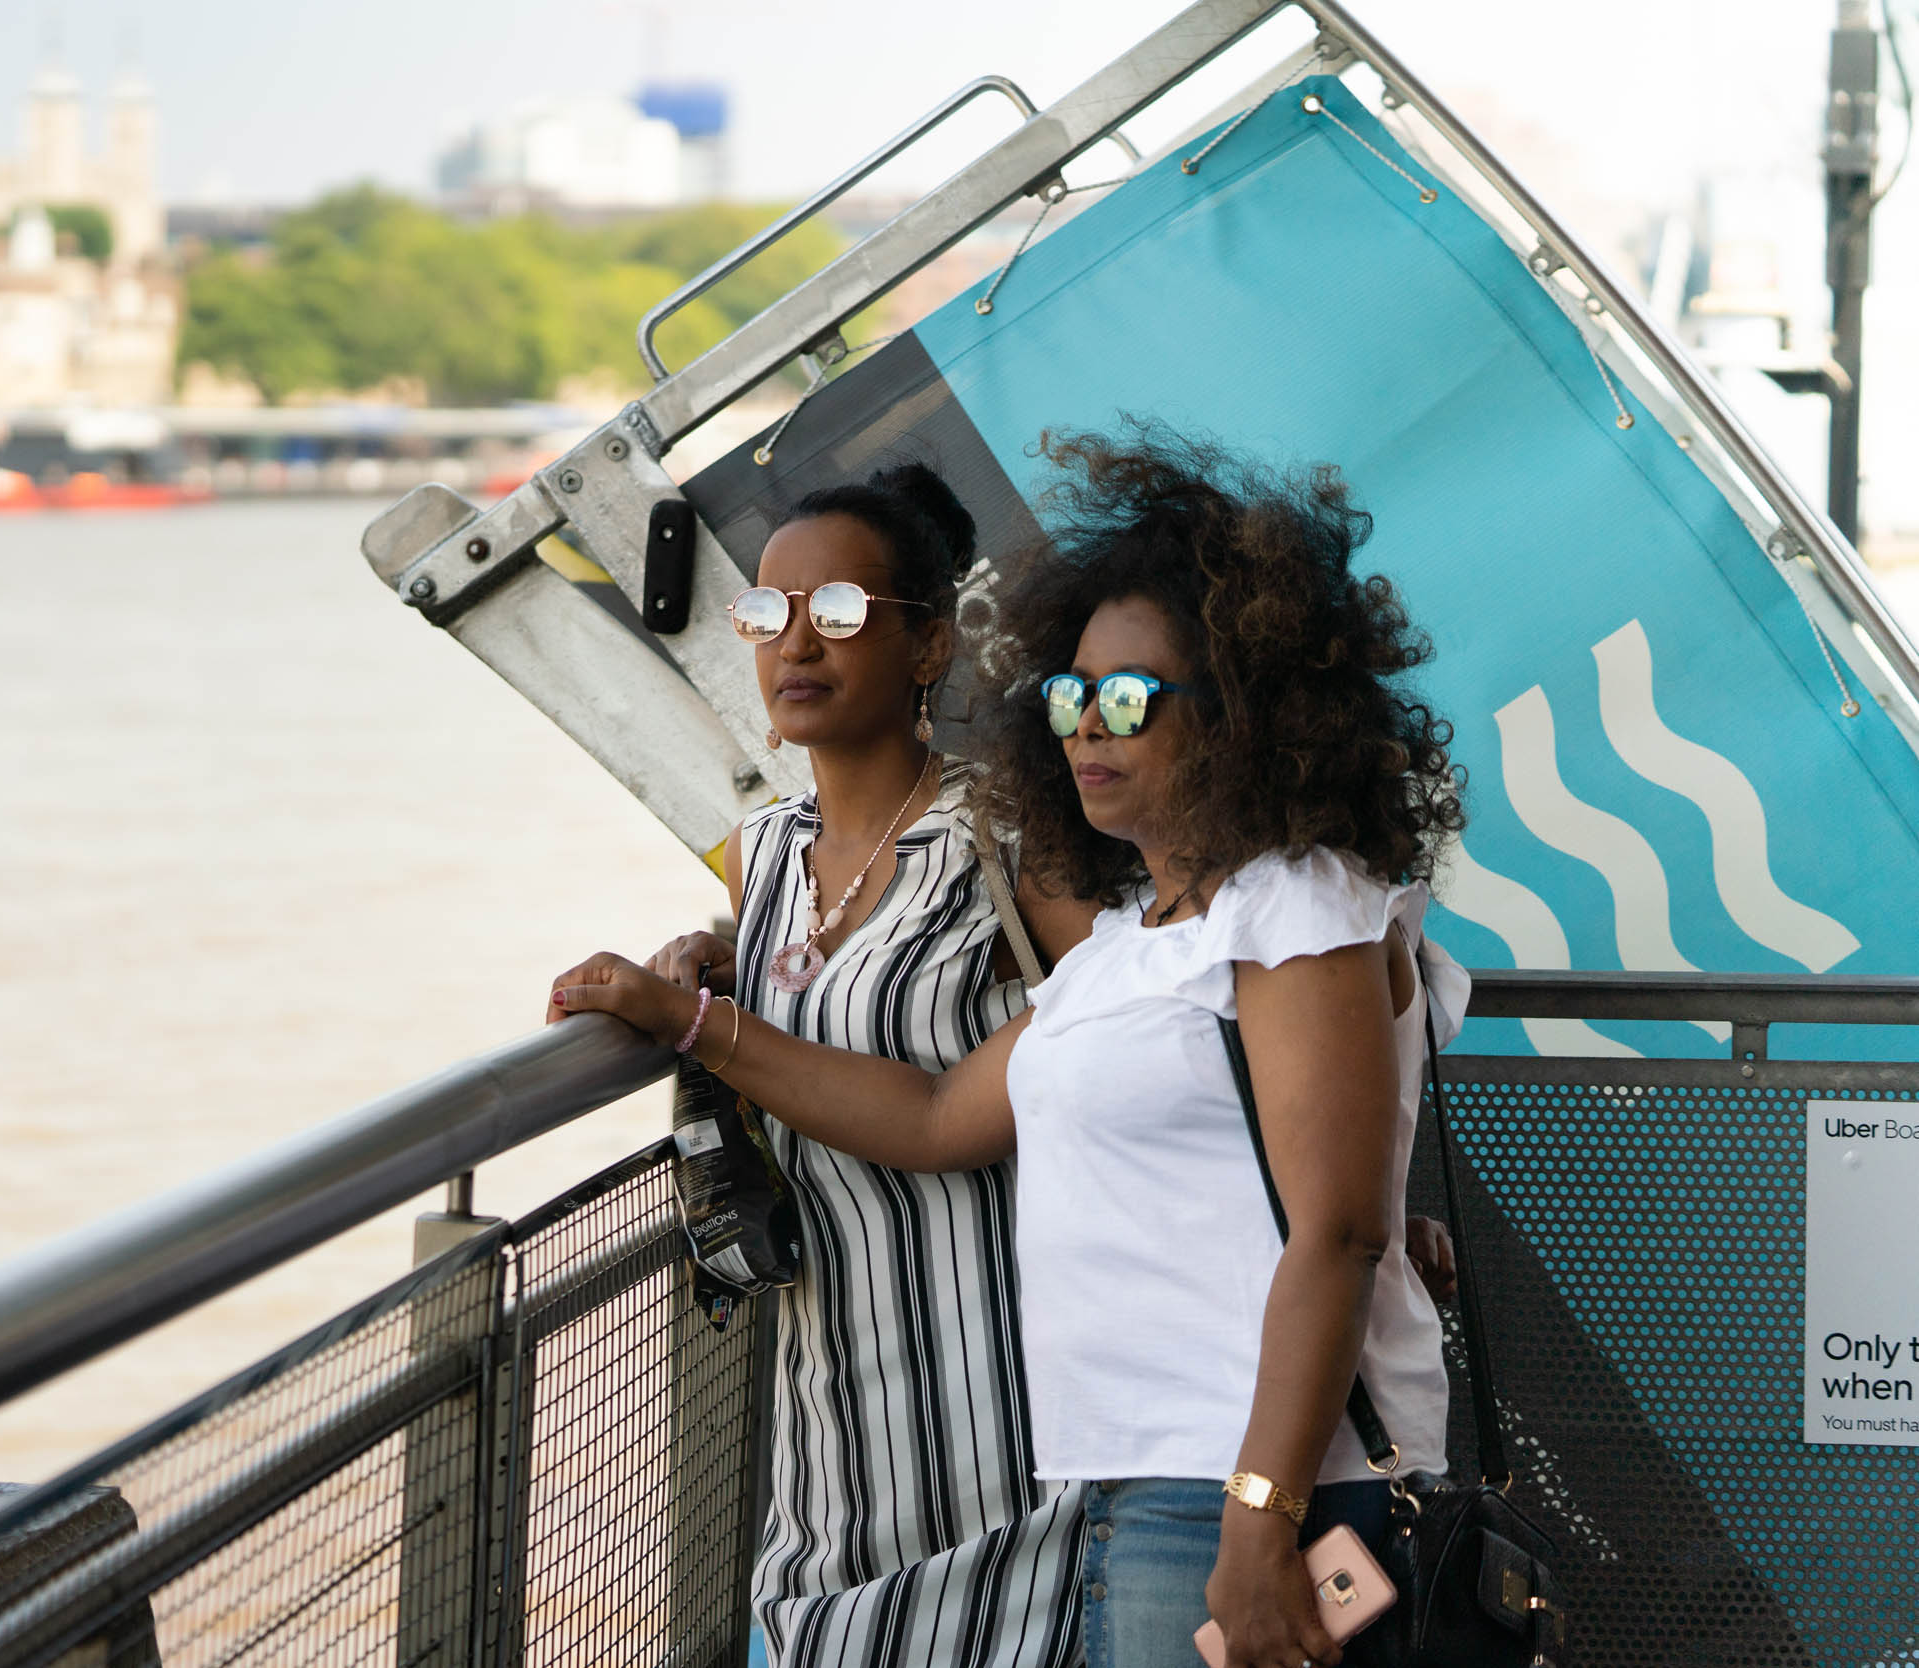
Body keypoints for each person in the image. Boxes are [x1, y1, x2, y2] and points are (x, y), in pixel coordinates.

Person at [552, 427, 1467, 1668]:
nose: (1090, 728)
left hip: (1234, 1488)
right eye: (1070, 697)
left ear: (1242, 715)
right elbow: (931, 1118)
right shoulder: (1130, 946)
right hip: (1104, 1488)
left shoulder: (1290, 905)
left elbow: (1338, 1230)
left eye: (1131, 700)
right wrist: (696, 1020)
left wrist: (1261, 1520)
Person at [622, 460, 1106, 1668]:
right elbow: (815, 998)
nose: (797, 642)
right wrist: (708, 961)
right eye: (768, 614)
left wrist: (689, 1022)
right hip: (833, 1428)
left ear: (930, 647)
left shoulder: (1009, 840)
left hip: (1009, 1420)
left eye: (838, 615)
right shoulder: (762, 858)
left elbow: (1142, 1044)